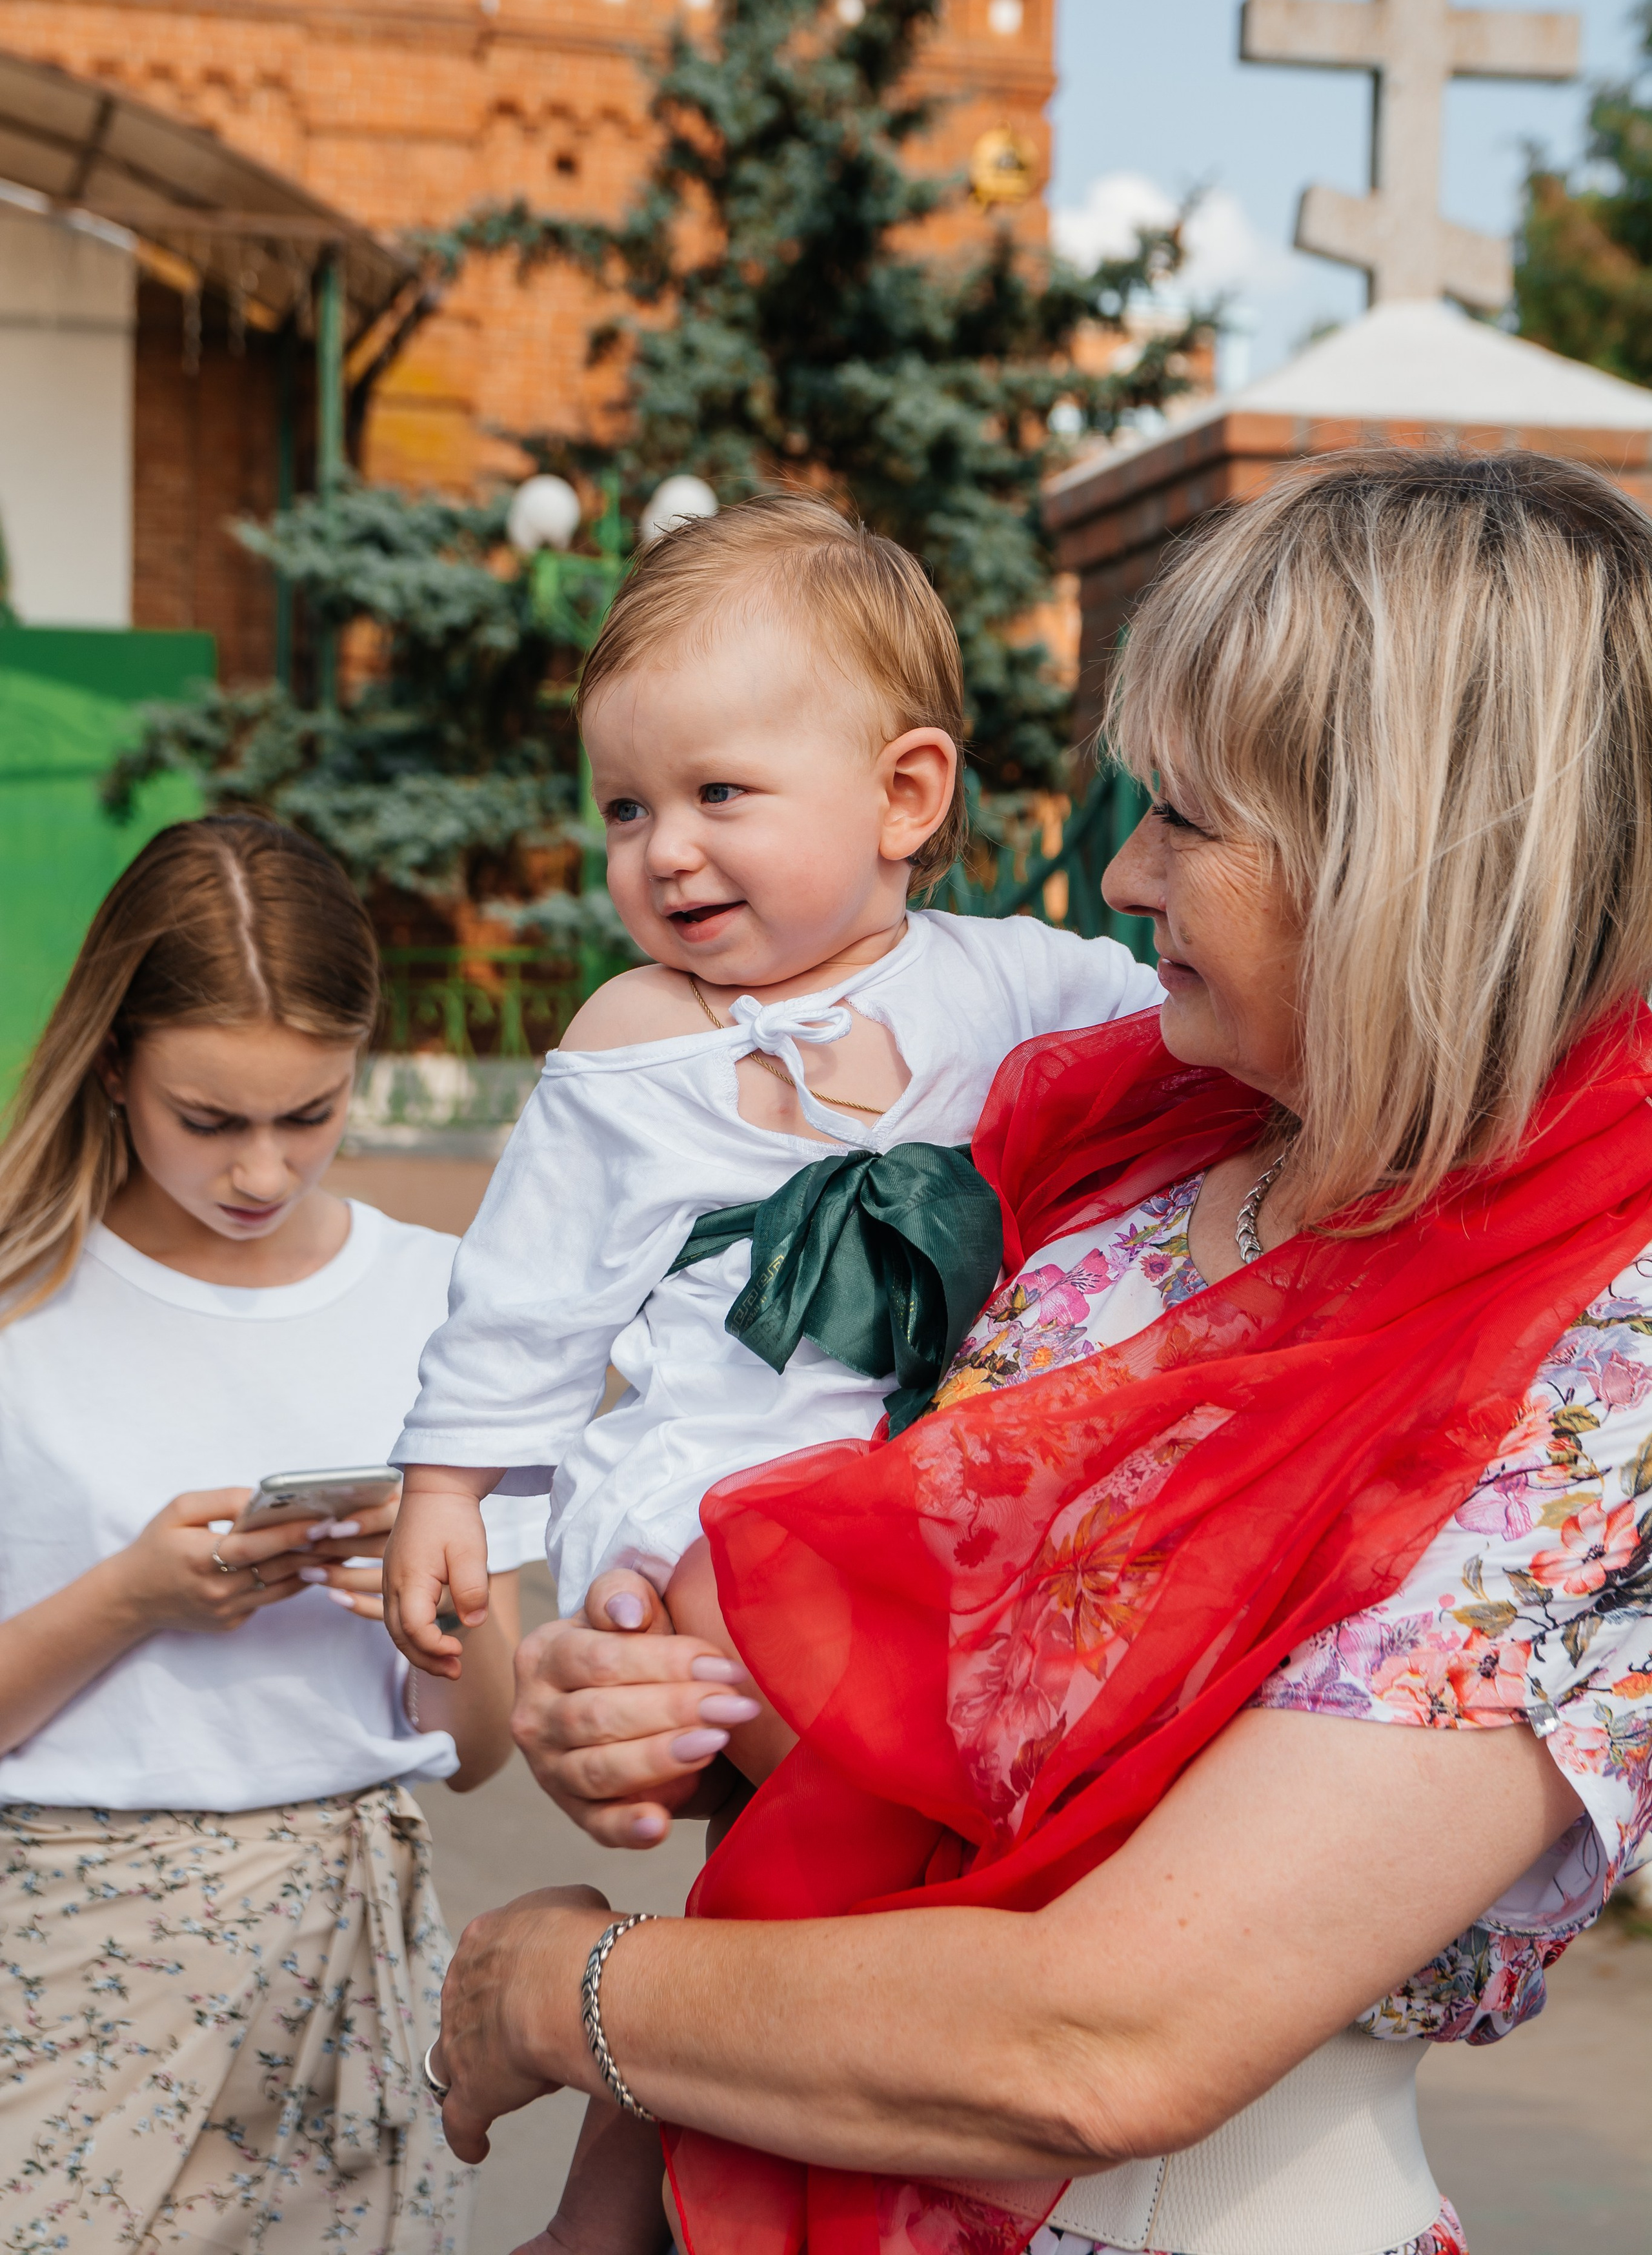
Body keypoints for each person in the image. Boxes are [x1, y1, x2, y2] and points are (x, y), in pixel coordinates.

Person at [434, 451, 1652, 2255]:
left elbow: (1115, 2038)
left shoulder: (1601, 1351)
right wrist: (651, 1706)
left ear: (1407, 851)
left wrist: (566, 1993)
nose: (1127, 873)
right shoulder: (1121, 1151)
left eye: (1188, 820)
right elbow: (889, 1686)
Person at [383, 494, 1160, 1672]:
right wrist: (448, 1487)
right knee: (729, 1590)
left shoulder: (1014, 982)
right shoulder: (635, 1038)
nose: (665, 850)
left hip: (951, 1482)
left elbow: (1194, 1044)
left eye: (718, 794)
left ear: (905, 796)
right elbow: (527, 1291)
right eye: (626, 808)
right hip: (711, 1484)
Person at [0, 816, 543, 2255]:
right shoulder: (20, 1300)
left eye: (310, 1113)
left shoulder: (448, 1303)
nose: (263, 1169)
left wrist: (439, 1602)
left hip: (355, 1978)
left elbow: (476, 1751)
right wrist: (132, 1598)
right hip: (60, 1973)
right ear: (113, 1066)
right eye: (210, 1120)